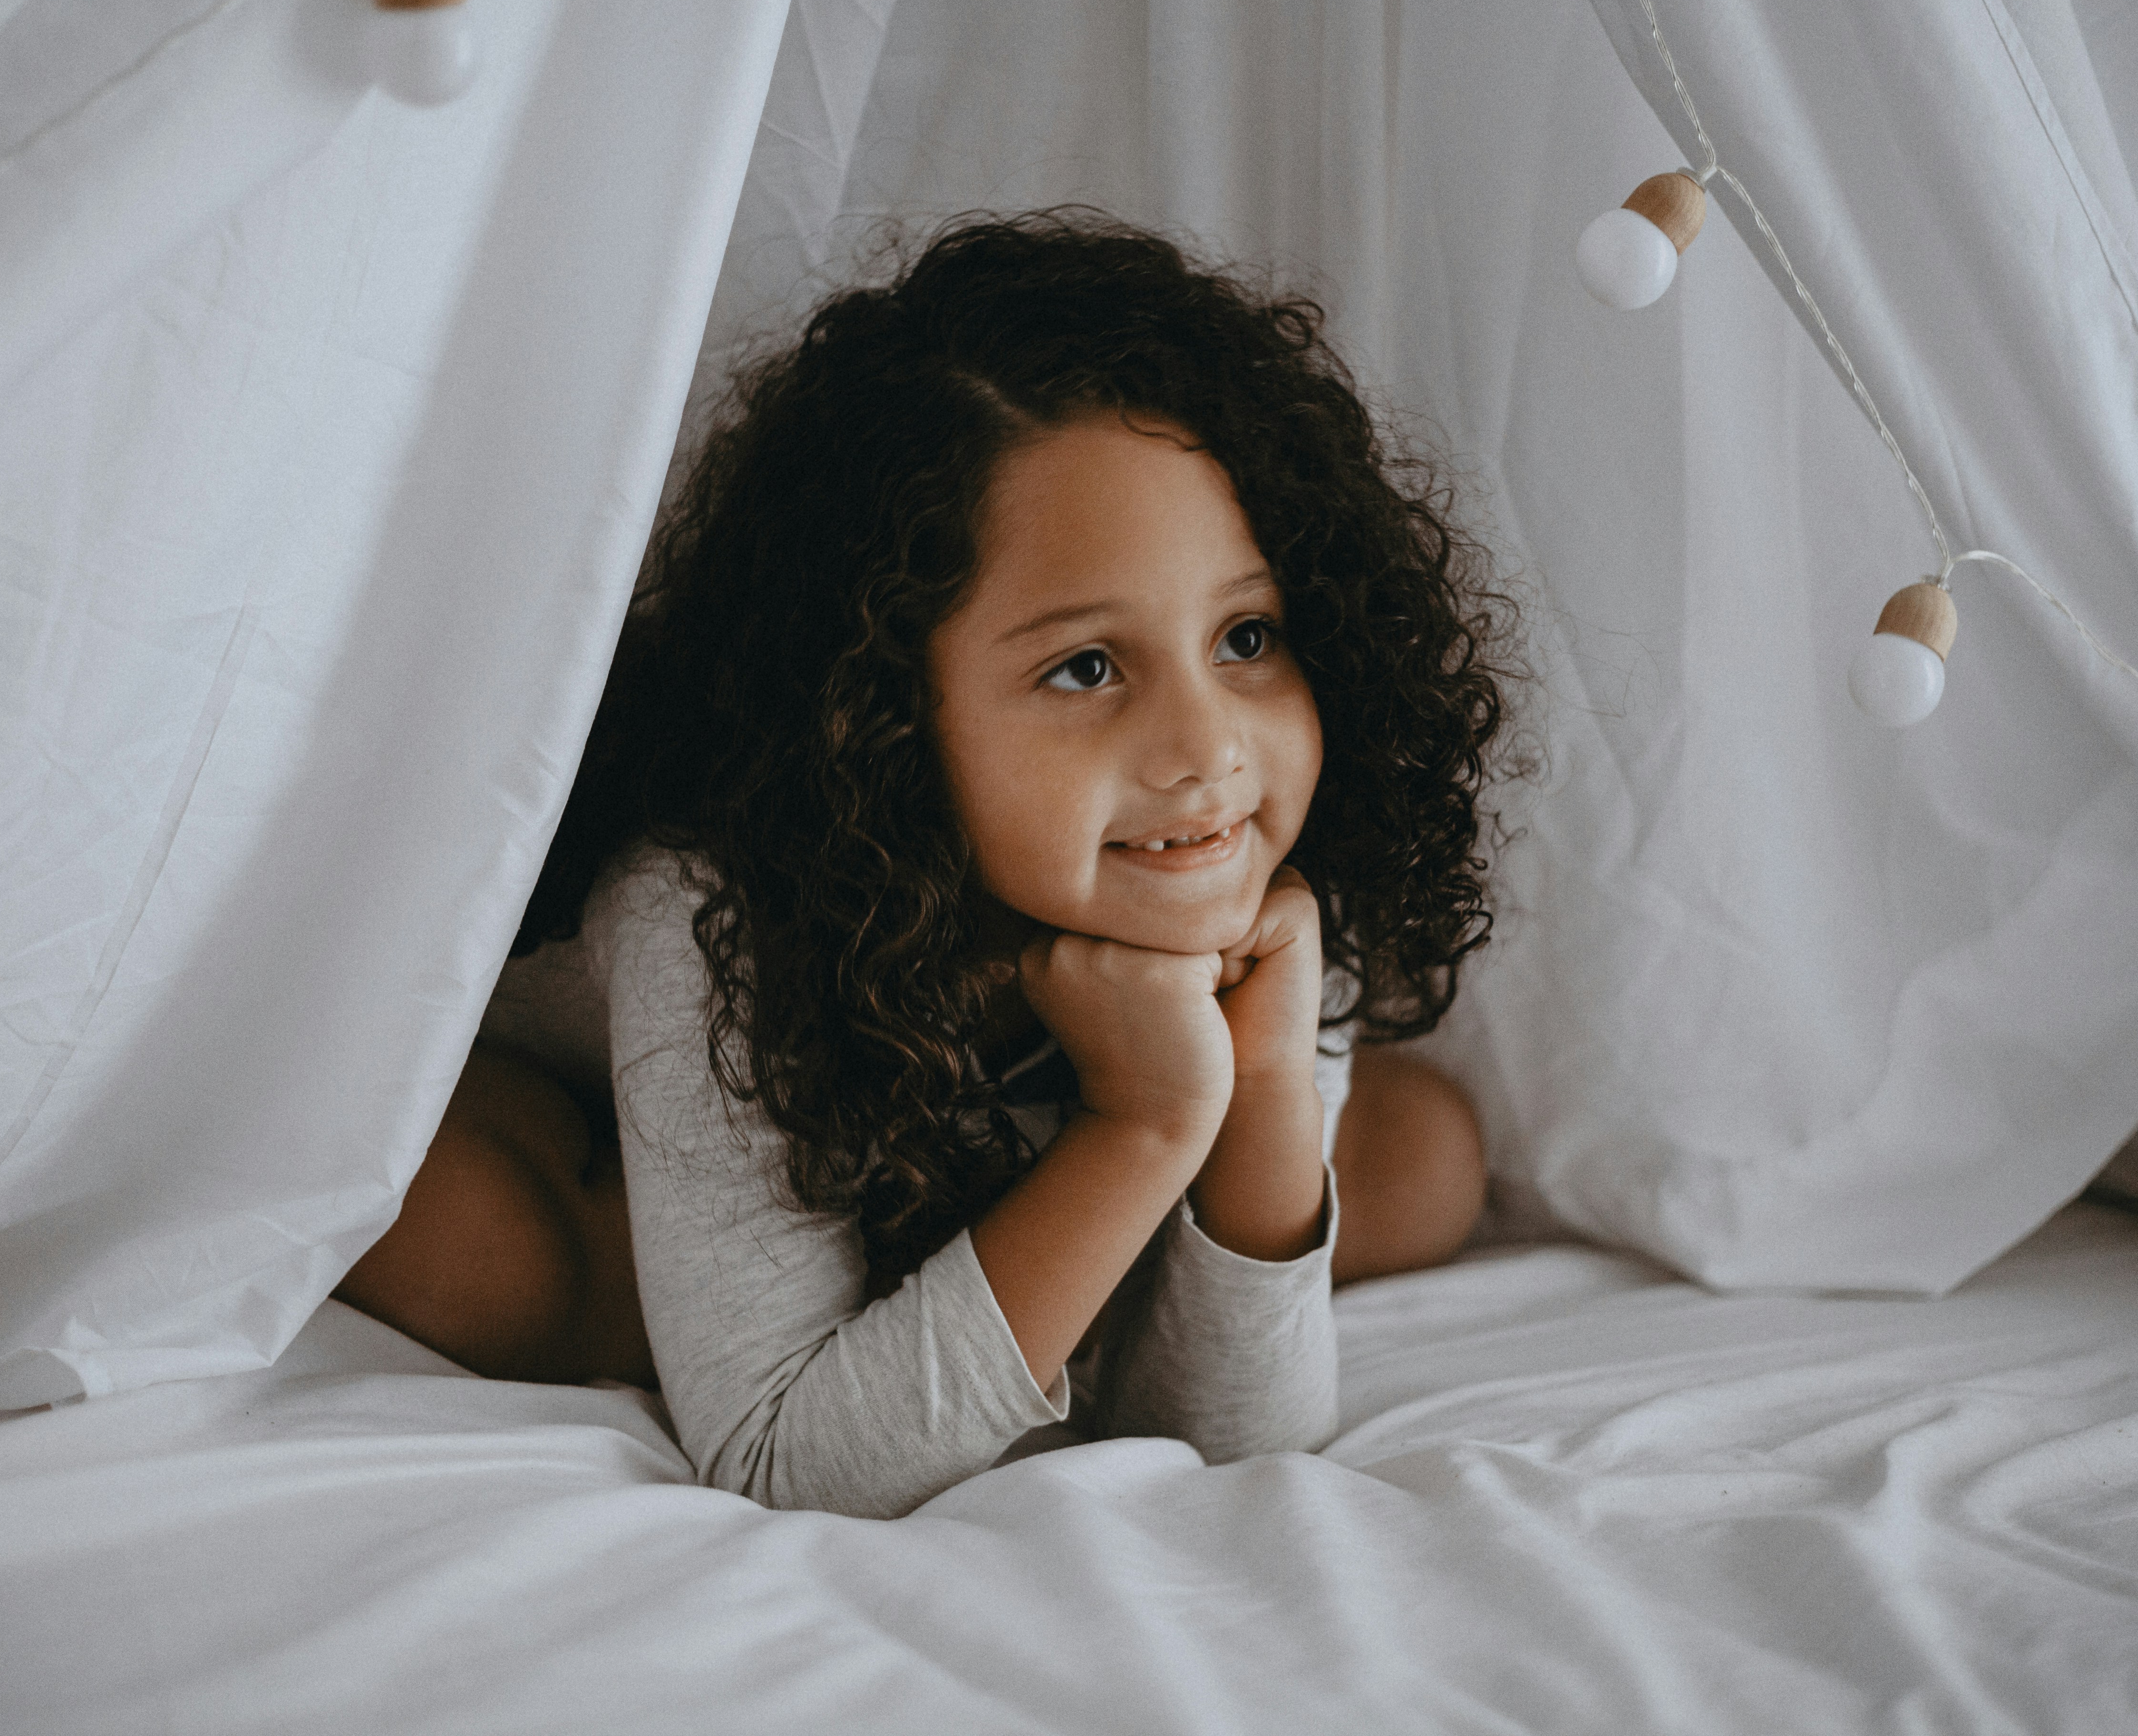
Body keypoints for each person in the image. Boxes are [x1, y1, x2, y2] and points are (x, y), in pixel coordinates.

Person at [338, 212, 1513, 1517]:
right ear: (886, 714)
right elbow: (788, 1464)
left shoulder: (1243, 871)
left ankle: (993, 1262)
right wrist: (1144, 1125)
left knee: (1427, 1162)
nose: (1208, 753)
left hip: (958, 1149)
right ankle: (851, 1288)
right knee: (459, 1243)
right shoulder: (717, 911)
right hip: (609, 1124)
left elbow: (1242, 1452)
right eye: (1087, 668)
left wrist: (1270, 1079)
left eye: (1247, 638)